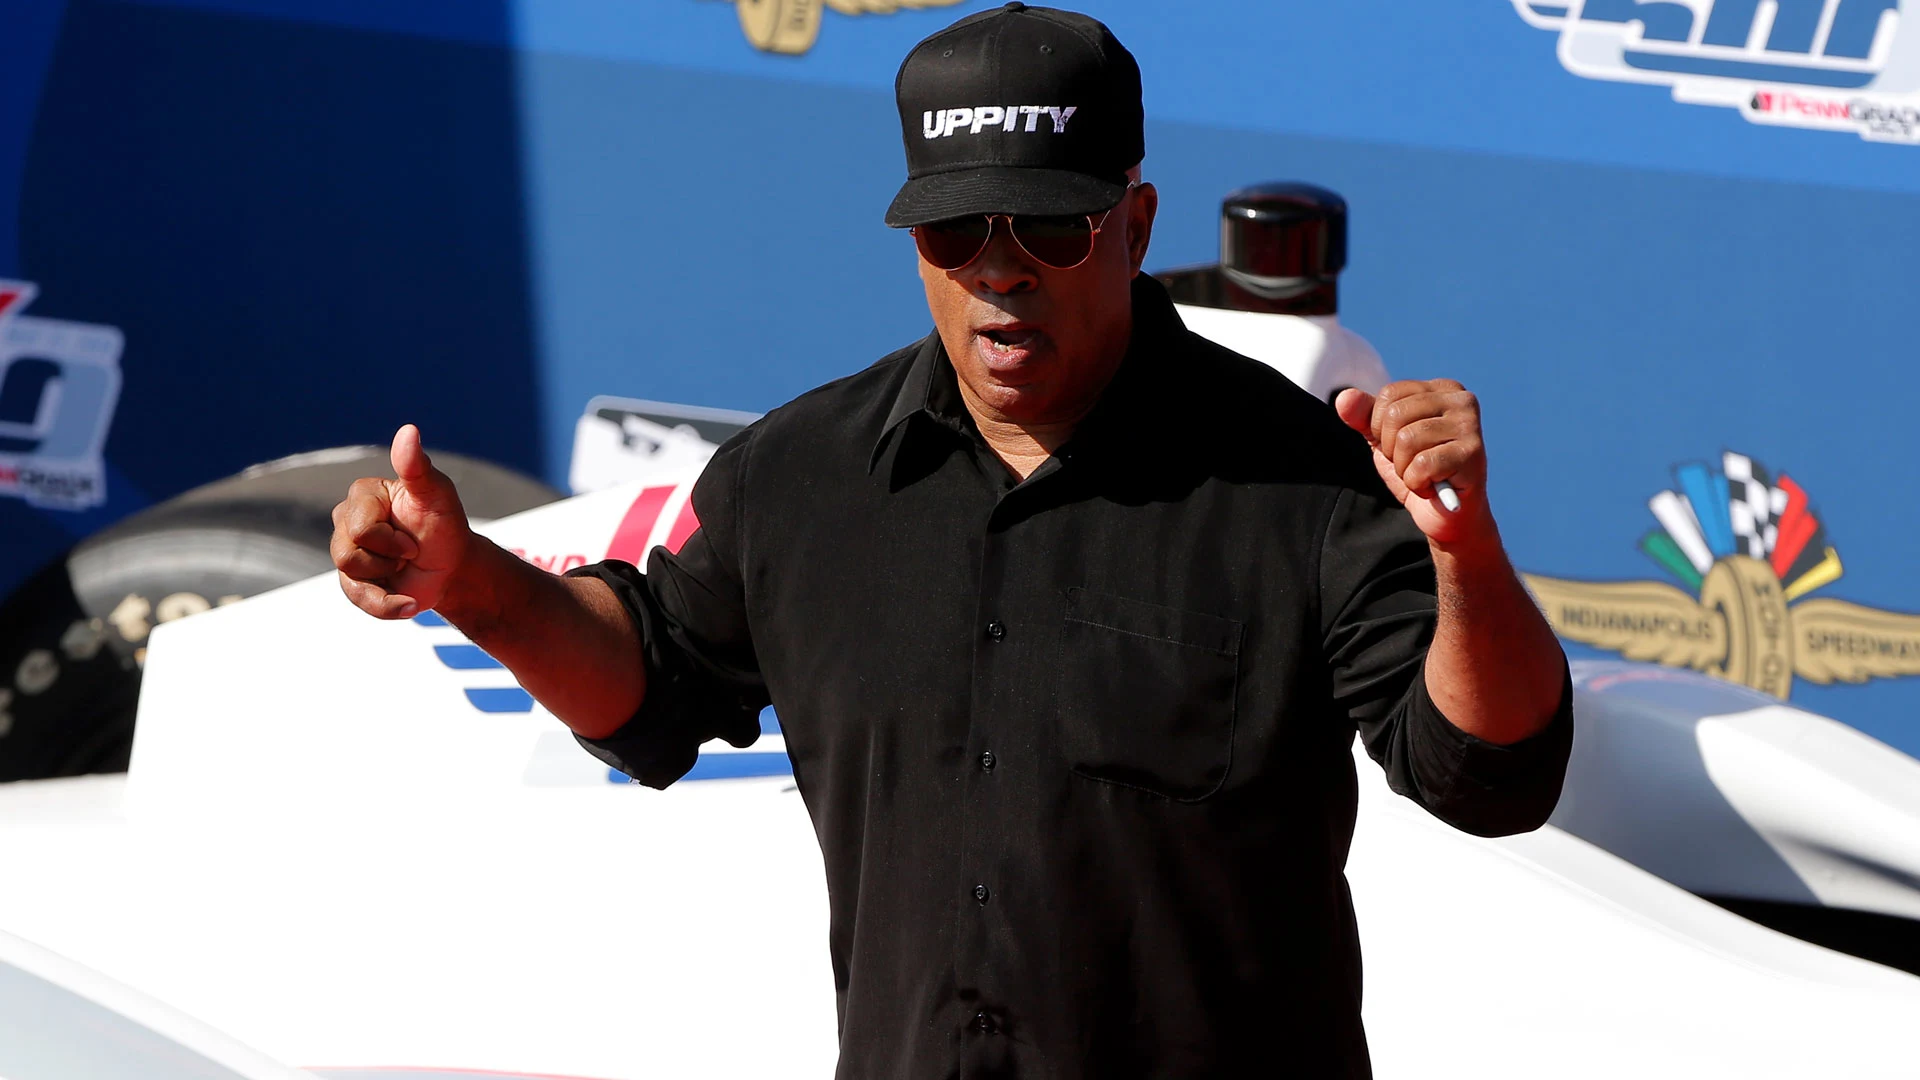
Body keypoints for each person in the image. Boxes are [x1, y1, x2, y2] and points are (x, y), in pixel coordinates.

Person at [330, 4, 1573, 1076]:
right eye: (954, 233)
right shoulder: (804, 475)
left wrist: (1466, 559)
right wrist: (473, 585)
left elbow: (1487, 773)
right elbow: (651, 686)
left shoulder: (1300, 480)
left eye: (1048, 230)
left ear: (1135, 229)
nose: (1000, 273)